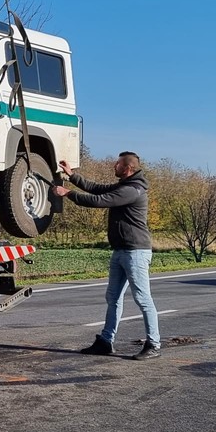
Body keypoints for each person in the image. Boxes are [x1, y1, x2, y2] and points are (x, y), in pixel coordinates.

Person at [52, 152, 161, 361]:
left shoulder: (132, 190)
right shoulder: (124, 185)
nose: (115, 165)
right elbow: (98, 188)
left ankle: (154, 343)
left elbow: (99, 200)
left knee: (142, 299)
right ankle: (106, 341)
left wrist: (68, 193)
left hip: (135, 252)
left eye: (118, 163)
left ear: (128, 168)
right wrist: (72, 175)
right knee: (113, 298)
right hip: (121, 251)